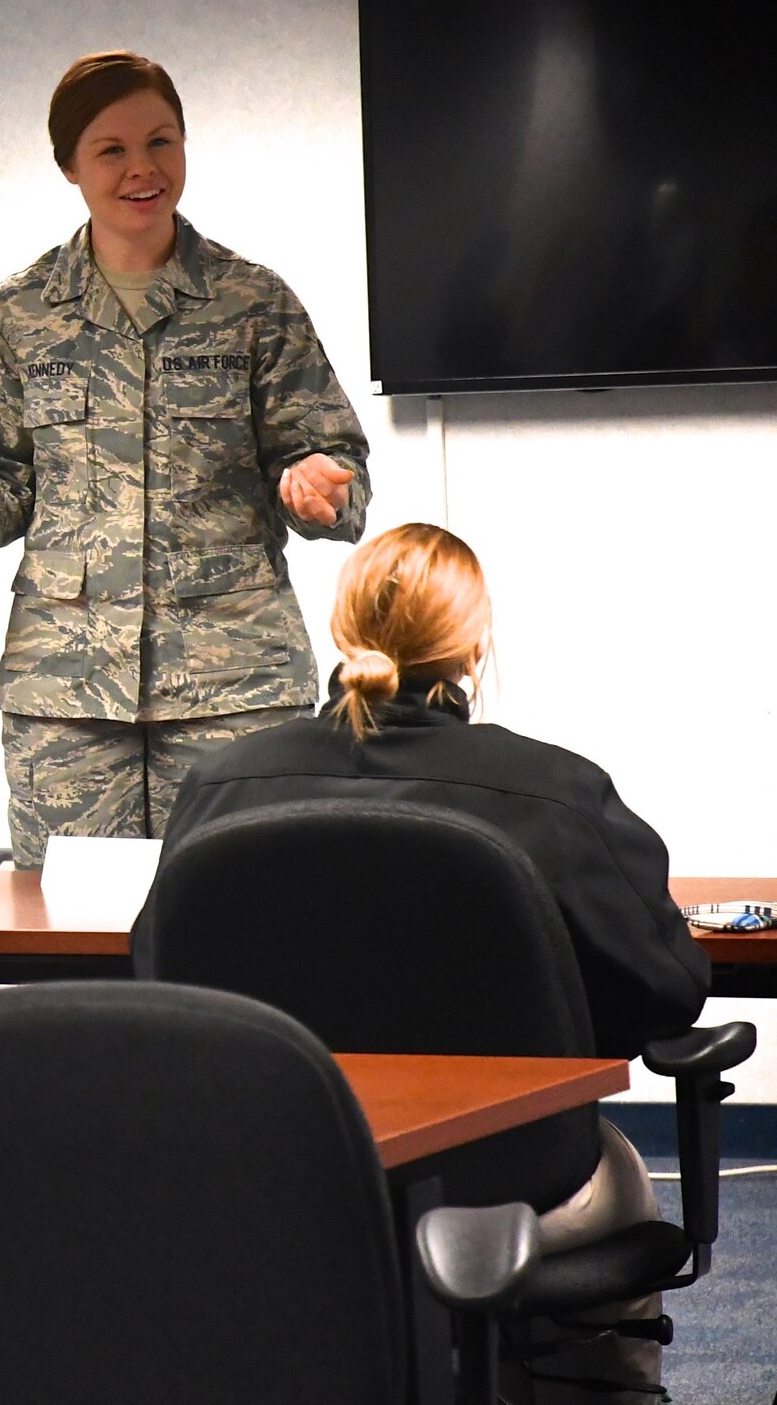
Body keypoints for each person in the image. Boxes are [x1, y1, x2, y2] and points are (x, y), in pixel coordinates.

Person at [135, 522, 709, 1402]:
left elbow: (161, 985)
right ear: (474, 643)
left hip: (279, 1174)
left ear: (339, 631)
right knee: (620, 1168)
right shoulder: (553, 792)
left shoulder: (222, 784)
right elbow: (665, 993)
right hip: (519, 1180)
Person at [0, 50, 372, 864]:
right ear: (70, 166)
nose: (143, 169)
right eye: (112, 150)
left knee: (240, 924)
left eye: (162, 142)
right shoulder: (23, 311)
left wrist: (319, 495)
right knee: (71, 943)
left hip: (234, 689)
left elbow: (331, 457)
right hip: (66, 697)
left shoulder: (253, 303)